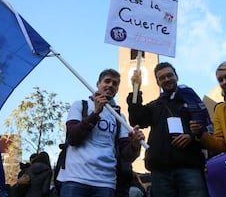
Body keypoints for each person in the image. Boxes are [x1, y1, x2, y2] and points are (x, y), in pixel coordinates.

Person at [56, 68, 146, 197]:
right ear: (98, 84)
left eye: (115, 83)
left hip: (106, 183)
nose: (110, 85)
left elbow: (127, 156)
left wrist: (135, 145)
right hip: (75, 179)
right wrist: (95, 114)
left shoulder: (119, 117)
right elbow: (73, 138)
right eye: (107, 81)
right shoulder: (80, 106)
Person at [127, 62, 210, 197]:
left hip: (189, 167)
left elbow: (205, 128)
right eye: (162, 78)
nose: (166, 79)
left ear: (176, 76)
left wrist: (191, 136)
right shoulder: (155, 106)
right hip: (161, 171)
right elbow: (137, 119)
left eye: (169, 75)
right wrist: (136, 87)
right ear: (158, 82)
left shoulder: (192, 101)